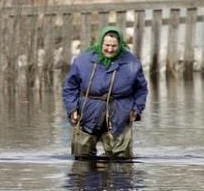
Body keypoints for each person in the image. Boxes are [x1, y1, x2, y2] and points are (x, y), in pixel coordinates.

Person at [62, 25, 148, 160]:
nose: (110, 49)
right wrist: (72, 108)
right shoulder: (83, 61)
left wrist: (136, 109)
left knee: (121, 162)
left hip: (120, 114)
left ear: (120, 44)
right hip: (88, 113)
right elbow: (70, 87)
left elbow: (141, 89)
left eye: (114, 46)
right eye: (107, 45)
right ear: (101, 42)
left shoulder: (132, 63)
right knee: (82, 160)